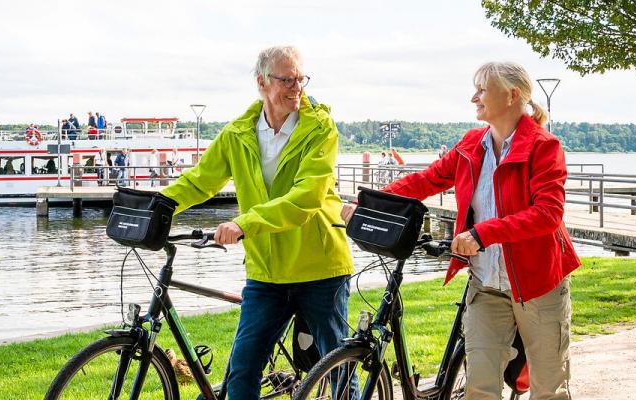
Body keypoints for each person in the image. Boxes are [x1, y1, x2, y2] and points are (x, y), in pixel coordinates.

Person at [343, 61, 578, 400]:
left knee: (548, 389)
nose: (474, 97)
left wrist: (482, 234)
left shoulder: (543, 146)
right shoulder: (472, 145)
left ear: (512, 95)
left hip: (538, 284)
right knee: (479, 389)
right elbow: (426, 180)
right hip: (486, 284)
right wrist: (368, 203)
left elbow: (548, 214)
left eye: (482, 89)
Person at [159, 45, 350, 400]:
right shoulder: (238, 134)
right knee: (243, 370)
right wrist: (157, 206)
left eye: (301, 78)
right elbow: (200, 181)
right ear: (262, 82)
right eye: (287, 79)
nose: (297, 87)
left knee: (338, 366)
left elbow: (306, 197)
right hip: (266, 271)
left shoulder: (320, 128)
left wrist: (245, 222)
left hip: (319, 268)